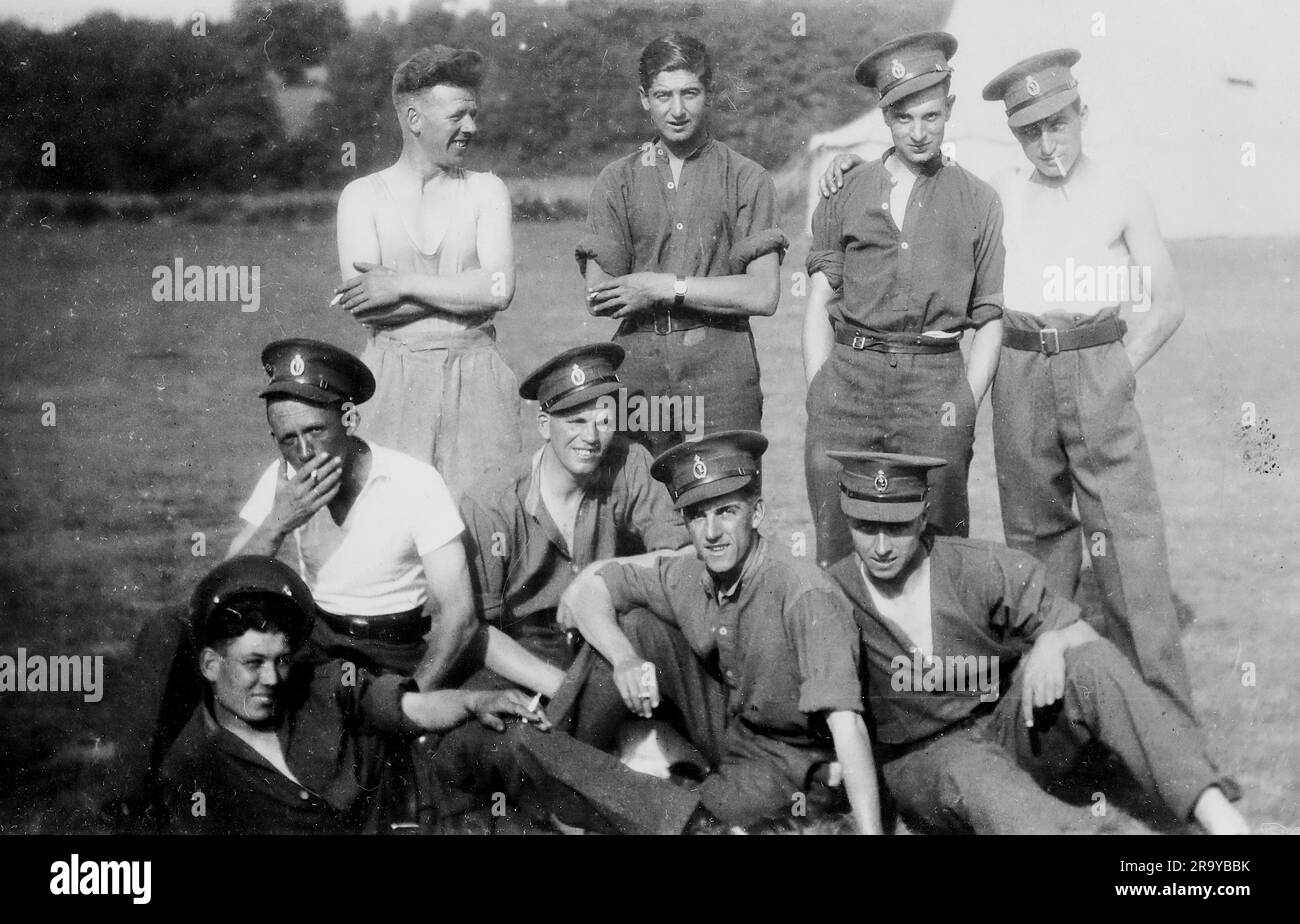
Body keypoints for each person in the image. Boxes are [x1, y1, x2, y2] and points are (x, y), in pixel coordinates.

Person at [102, 339, 478, 827]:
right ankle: (128, 802)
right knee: (171, 630)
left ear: (350, 419)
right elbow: (216, 594)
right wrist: (279, 521)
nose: (303, 452)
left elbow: (460, 616)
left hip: (391, 649)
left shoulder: (413, 481)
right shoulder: (284, 480)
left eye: (315, 432)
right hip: (318, 643)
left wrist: (411, 700)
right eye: (287, 439)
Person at [823, 450, 1247, 835]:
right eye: (865, 526)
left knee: (1091, 661)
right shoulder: (829, 596)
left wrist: (1053, 642)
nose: (880, 547)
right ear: (846, 517)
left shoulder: (973, 567)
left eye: (895, 527)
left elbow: (1073, 628)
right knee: (975, 774)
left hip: (1006, 730)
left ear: (921, 516)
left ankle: (1219, 816)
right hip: (927, 763)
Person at [161, 556, 698, 835]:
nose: (272, 679)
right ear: (210, 665)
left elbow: (412, 707)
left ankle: (685, 823)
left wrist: (474, 702)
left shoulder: (322, 686)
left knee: (512, 736)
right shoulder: (193, 771)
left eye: (279, 661)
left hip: (427, 787)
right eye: (252, 664)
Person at [976, 49, 1197, 718]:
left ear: (1082, 113)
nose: (1047, 143)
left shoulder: (1123, 189)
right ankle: (1059, 724)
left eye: (1058, 123)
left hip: (1097, 361)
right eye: (1030, 131)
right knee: (1035, 539)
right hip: (1019, 368)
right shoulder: (1000, 192)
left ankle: (1169, 729)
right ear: (1015, 135)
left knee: (1129, 540)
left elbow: (1167, 304)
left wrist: (1120, 369)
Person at [556, 431, 883, 833]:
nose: (711, 532)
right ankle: (562, 772)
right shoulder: (693, 570)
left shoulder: (802, 593)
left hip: (789, 756)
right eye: (696, 515)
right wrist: (624, 657)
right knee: (634, 627)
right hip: (729, 725)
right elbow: (595, 587)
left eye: (726, 511)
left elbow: (848, 727)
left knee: (685, 818)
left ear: (757, 514)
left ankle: (600, 795)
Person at [803, 31, 1004, 567]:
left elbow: (989, 316)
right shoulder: (844, 189)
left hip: (934, 381)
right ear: (885, 117)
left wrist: (966, 400)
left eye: (932, 117)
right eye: (904, 118)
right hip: (849, 378)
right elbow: (822, 295)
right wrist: (819, 386)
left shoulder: (979, 200)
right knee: (838, 538)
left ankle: (935, 651)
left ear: (950, 110)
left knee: (939, 543)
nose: (919, 133)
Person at [577, 32, 786, 456]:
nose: (676, 110)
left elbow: (762, 293)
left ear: (708, 95)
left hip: (722, 365)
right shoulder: (617, 180)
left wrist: (661, 287)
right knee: (641, 505)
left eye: (689, 93)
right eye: (662, 95)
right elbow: (600, 295)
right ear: (644, 98)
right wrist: (708, 288)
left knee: (727, 501)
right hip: (639, 367)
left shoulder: (747, 177)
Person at [455, 342, 691, 699]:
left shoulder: (631, 463)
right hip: (523, 651)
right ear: (544, 425)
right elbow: (475, 629)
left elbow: (685, 556)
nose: (591, 437)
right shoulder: (492, 502)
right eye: (576, 421)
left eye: (604, 421)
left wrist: (597, 576)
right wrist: (562, 689)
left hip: (605, 633)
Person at [334, 45, 520, 495]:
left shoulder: (486, 190)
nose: (471, 127)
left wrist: (399, 283)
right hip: (390, 382)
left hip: (478, 379)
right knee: (391, 525)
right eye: (458, 115)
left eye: (473, 114)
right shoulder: (362, 197)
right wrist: (462, 292)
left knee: (484, 521)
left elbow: (498, 289)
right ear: (415, 118)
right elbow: (369, 309)